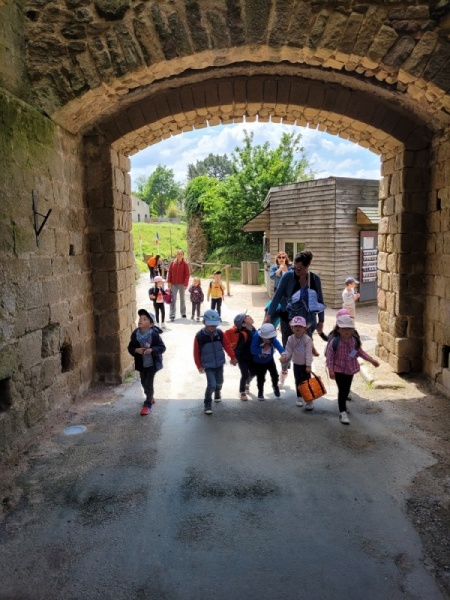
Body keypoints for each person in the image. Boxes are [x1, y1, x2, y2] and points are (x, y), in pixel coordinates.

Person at [265, 250, 324, 383]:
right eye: (294, 267)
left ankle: (305, 382)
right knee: (287, 348)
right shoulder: (287, 276)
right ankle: (284, 370)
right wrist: (269, 315)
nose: (296, 270)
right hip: (288, 318)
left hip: (306, 321)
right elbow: (277, 296)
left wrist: (321, 321)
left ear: (307, 266)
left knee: (304, 349)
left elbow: (320, 301)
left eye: (299, 268)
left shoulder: (314, 279)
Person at [325, 313, 379, 425]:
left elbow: (359, 352)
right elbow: (330, 357)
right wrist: (330, 369)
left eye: (349, 329)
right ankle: (342, 411)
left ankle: (343, 405)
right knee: (342, 390)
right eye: (344, 328)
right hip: (338, 369)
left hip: (350, 369)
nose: (346, 331)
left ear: (353, 330)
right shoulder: (335, 342)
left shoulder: (354, 341)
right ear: (338, 329)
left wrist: (371, 360)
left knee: (346, 389)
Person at [193, 309, 237, 415]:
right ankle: (207, 404)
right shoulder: (199, 336)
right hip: (208, 365)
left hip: (219, 363)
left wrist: (232, 357)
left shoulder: (220, 333)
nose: (213, 327)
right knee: (211, 384)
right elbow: (196, 352)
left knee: (219, 382)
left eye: (215, 325)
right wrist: (199, 366)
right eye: (210, 325)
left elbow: (227, 345)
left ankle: (217, 392)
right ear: (204, 322)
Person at [127, 309, 166, 415]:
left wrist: (152, 350)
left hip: (152, 364)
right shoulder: (135, 334)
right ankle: (150, 395)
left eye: (144, 319)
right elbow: (130, 347)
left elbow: (162, 347)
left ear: (151, 324)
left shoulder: (154, 334)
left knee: (148, 383)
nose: (141, 320)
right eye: (140, 318)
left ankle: (147, 404)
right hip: (142, 364)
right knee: (143, 382)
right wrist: (136, 350)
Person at [281, 316, 314, 409]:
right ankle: (299, 397)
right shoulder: (290, 339)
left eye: (300, 326)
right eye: (295, 326)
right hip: (296, 364)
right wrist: (285, 356)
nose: (298, 328)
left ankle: (309, 400)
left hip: (305, 365)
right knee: (298, 381)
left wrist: (308, 365)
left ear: (304, 328)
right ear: (292, 328)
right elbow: (288, 350)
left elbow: (309, 353)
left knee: (307, 382)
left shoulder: (307, 339)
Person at [250, 323, 284, 400]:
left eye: (271, 339)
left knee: (275, 375)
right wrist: (262, 350)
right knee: (261, 377)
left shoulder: (271, 338)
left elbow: (277, 344)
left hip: (269, 359)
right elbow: (252, 349)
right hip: (258, 362)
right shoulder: (256, 336)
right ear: (262, 336)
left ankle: (275, 386)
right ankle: (260, 392)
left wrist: (283, 353)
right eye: (267, 339)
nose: (269, 340)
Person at [233, 311, 256, 401]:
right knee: (245, 374)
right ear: (243, 324)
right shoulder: (243, 334)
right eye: (246, 317)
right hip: (243, 358)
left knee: (253, 372)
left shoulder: (253, 329)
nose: (249, 316)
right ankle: (242, 391)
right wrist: (235, 358)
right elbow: (238, 347)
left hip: (252, 357)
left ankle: (247, 383)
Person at [167, 249, 190, 321]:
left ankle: (183, 313)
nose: (180, 255)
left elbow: (187, 275)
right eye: (178, 254)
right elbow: (170, 273)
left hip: (181, 284)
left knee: (182, 298)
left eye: (181, 254)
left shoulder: (185, 264)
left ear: (183, 255)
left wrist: (185, 284)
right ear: (176, 255)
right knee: (173, 299)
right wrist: (169, 282)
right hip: (173, 283)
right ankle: (172, 314)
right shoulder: (172, 263)